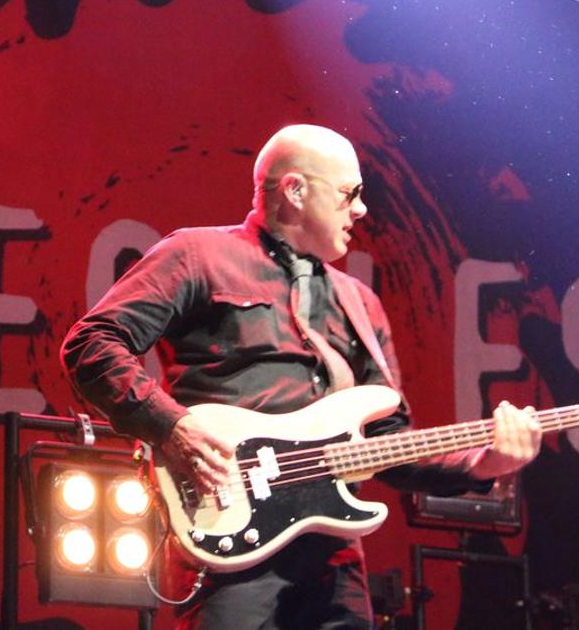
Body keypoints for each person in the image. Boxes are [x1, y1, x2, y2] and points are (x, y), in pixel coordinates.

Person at [61, 124, 542, 628]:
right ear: (295, 190)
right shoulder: (198, 256)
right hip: (226, 531)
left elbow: (389, 445)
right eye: (349, 193)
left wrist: (484, 463)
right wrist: (172, 427)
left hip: (331, 555)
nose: (360, 209)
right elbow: (91, 344)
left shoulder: (360, 303)